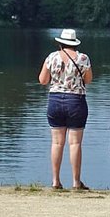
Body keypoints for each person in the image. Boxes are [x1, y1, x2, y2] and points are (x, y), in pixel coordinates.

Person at [38, 27, 92, 190]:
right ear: (75, 44)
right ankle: (76, 182)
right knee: (75, 143)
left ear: (61, 43)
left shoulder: (51, 57)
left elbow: (42, 80)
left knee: (56, 142)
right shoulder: (83, 58)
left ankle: (56, 181)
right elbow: (88, 80)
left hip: (55, 101)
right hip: (76, 101)